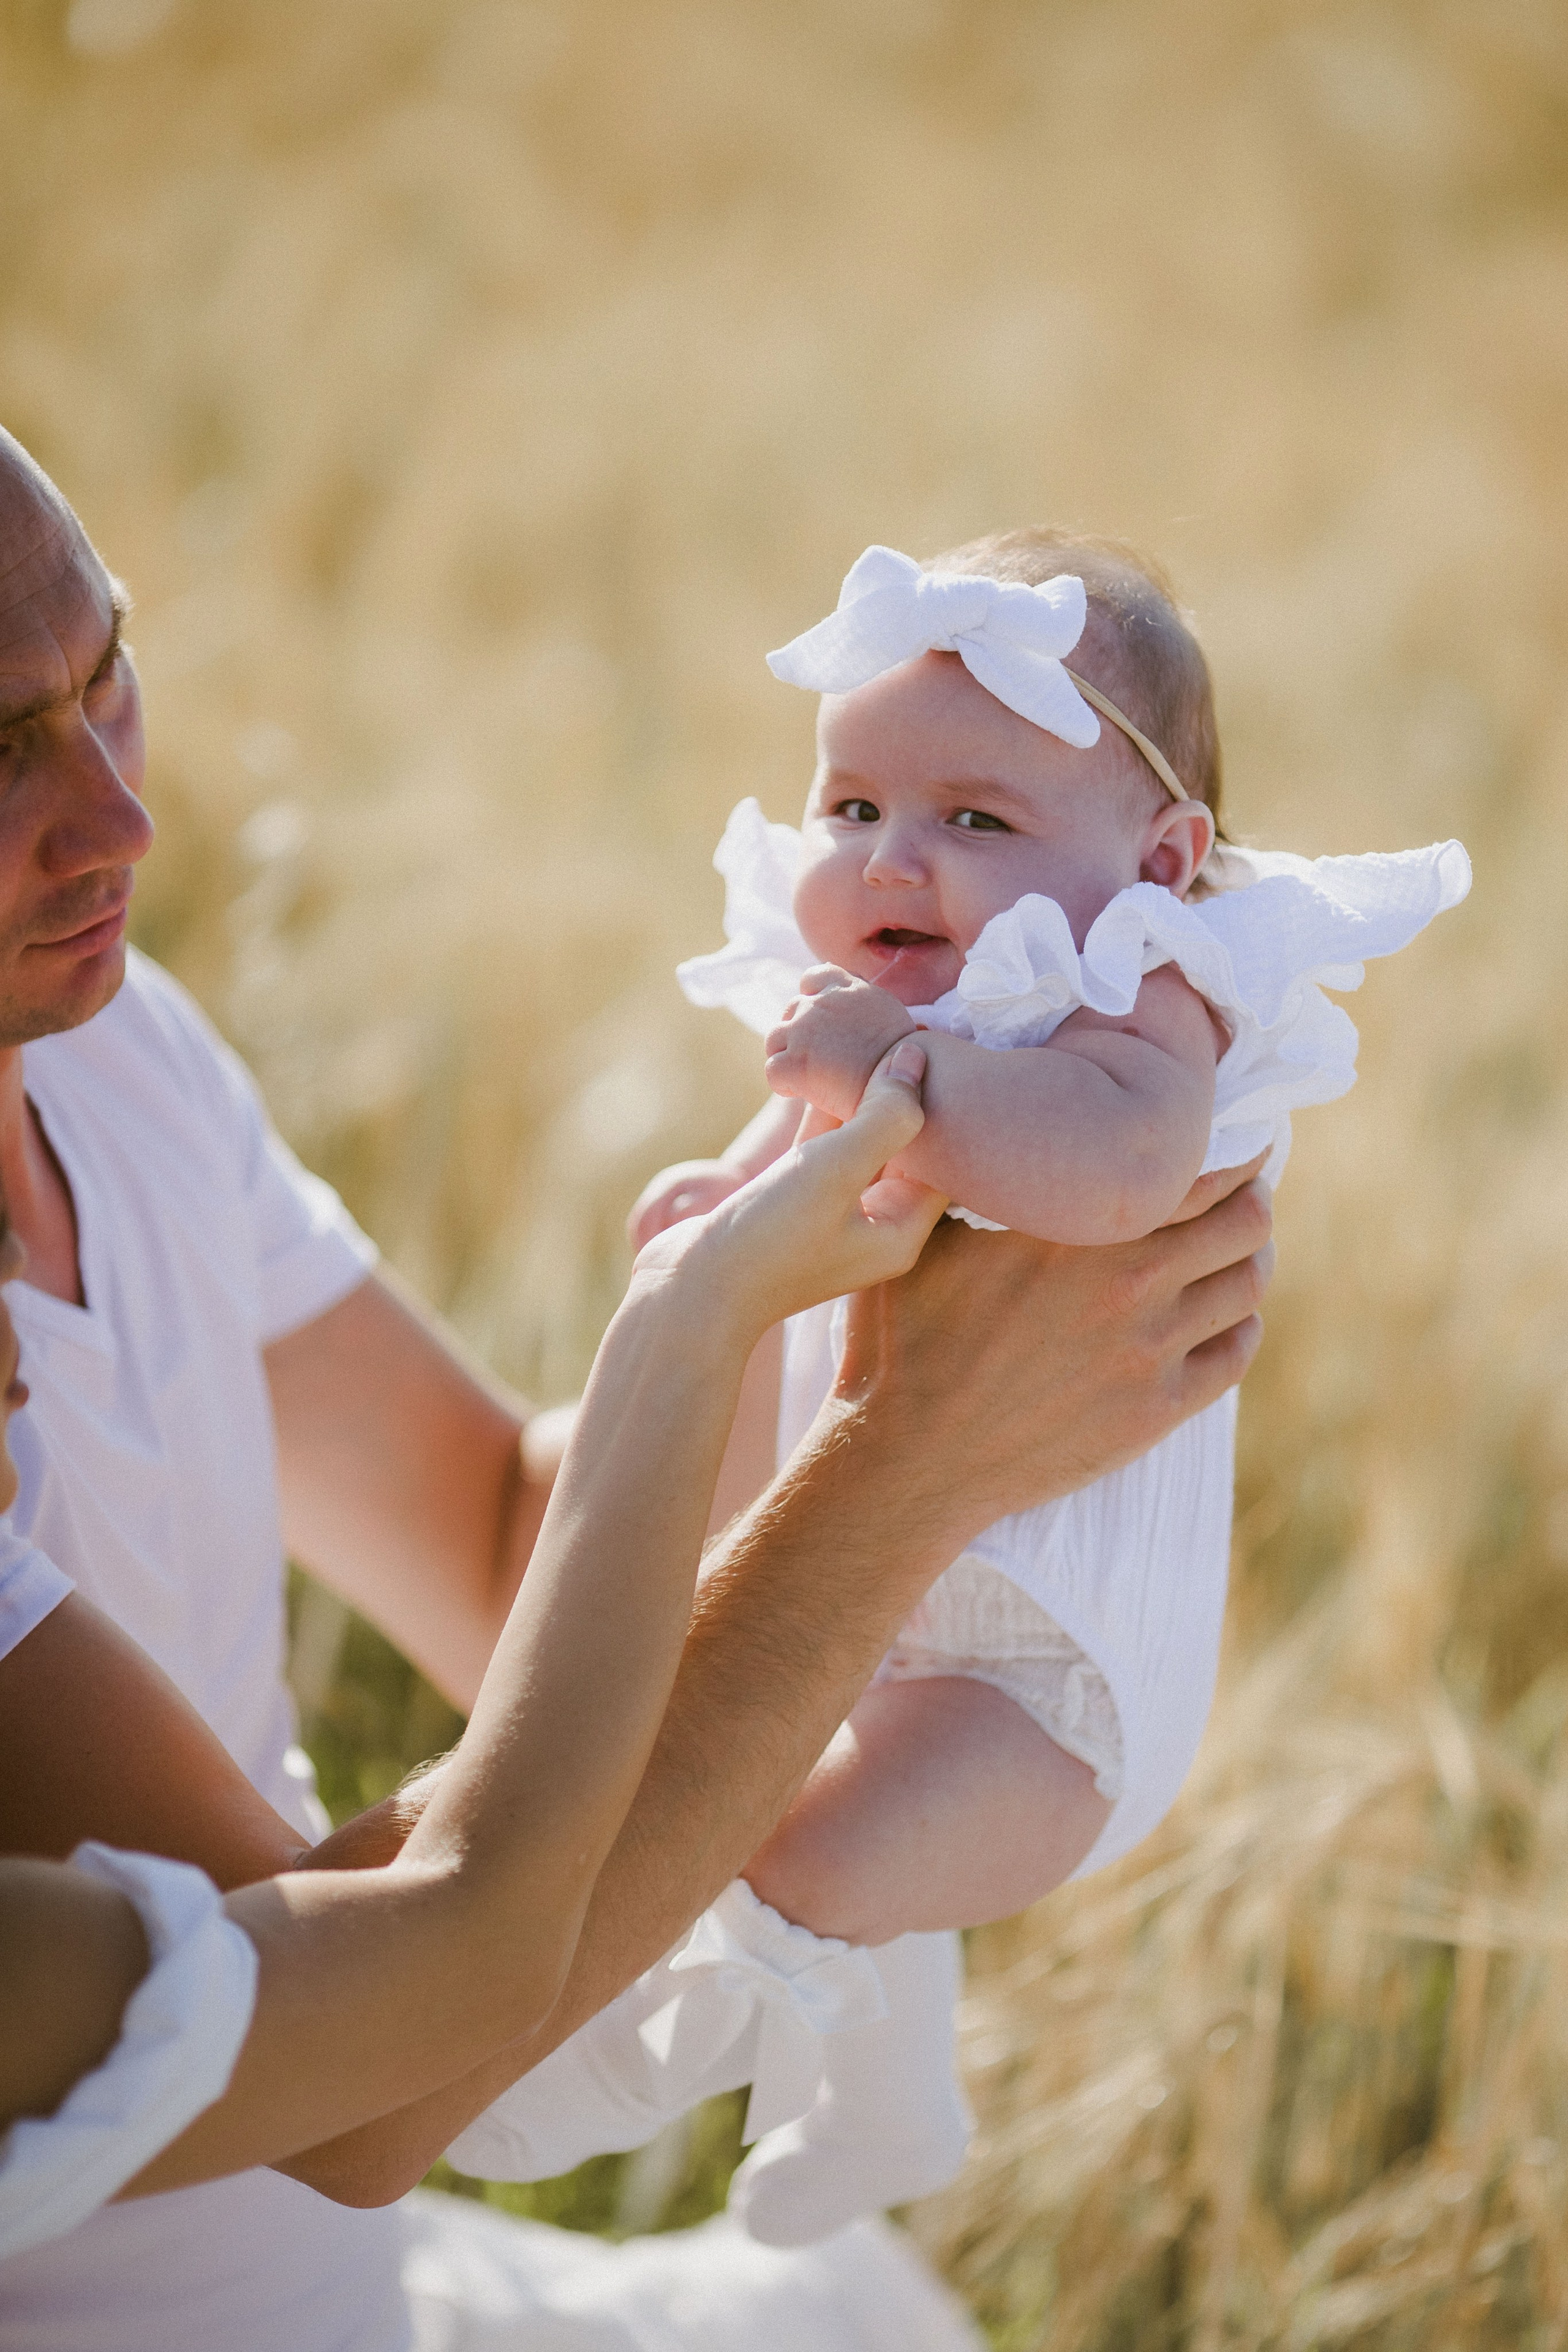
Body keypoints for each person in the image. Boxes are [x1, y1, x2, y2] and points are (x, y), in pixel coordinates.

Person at [0, 428, 1272, 2351]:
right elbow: (359, 2073)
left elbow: (501, 1549)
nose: (119, 823)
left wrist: (789, 1304)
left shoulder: (110, 1050)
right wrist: (897, 1460)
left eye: (110, 680)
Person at [448, 532, 1468, 2246]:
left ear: (1162, 861)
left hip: (1049, 1669)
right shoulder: (879, 1002)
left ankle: (676, 2051)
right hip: (876, 1577)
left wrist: (896, 1074)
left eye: (976, 819)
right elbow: (803, 1140)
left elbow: (1122, 1169)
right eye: (852, 807)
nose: (892, 859)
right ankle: (882, 2098)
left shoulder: (1143, 986)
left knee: (809, 1850)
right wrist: (725, 1193)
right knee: (768, 1784)